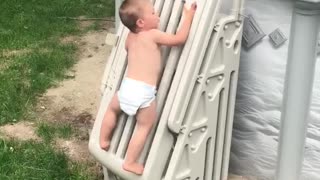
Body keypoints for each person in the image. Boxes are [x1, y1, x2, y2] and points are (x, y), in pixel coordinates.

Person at [99, 0, 197, 175]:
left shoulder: (130, 38)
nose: (157, 14)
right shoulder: (152, 35)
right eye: (153, 13)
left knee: (112, 110)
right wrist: (188, 17)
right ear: (141, 23)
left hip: (127, 88)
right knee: (144, 126)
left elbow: (130, 51)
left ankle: (103, 139)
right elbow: (179, 39)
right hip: (143, 92)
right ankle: (130, 162)